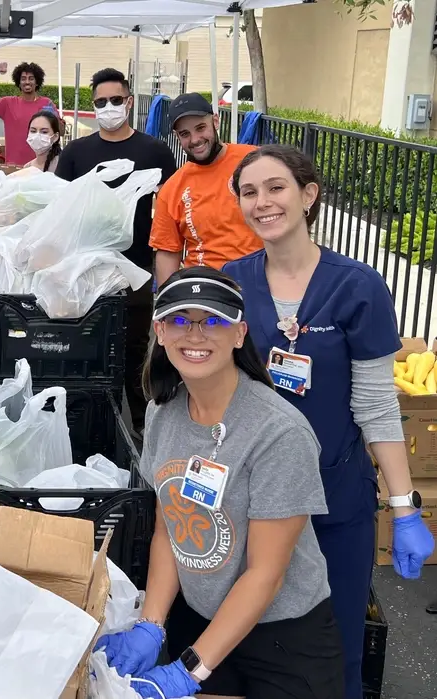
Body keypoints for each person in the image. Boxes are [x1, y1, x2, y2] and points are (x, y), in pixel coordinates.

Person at [223, 144, 435, 699]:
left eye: (276, 188)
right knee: (252, 639)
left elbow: (375, 404)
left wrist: (404, 506)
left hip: (333, 499)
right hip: (253, 499)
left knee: (335, 644)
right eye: (249, 192)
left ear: (308, 195)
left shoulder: (357, 286)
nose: (263, 202)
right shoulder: (232, 281)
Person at [96, 266, 345, 699]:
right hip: (200, 618)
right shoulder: (162, 412)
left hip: (283, 636)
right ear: (159, 330)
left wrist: (187, 671)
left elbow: (265, 574)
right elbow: (168, 530)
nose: (195, 334)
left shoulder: (278, 433)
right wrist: (151, 625)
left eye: (213, 320)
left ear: (238, 334)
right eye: (179, 319)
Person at [55, 68, 178, 438]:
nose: (107, 107)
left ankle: (142, 424)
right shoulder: (77, 152)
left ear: (129, 101)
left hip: (135, 266)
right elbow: (58, 208)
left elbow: (170, 207)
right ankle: (89, 422)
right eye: (100, 102)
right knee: (87, 340)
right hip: (85, 268)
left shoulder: (154, 151)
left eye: (114, 100)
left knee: (136, 346)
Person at [150, 92, 262, 286]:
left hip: (263, 281)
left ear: (215, 122)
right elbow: (168, 251)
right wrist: (166, 304)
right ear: (177, 137)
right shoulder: (172, 189)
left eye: (200, 128)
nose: (195, 139)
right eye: (185, 134)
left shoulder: (254, 160)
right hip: (206, 292)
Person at [0, 61, 55, 166]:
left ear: (37, 82)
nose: (27, 82)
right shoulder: (8, 103)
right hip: (13, 166)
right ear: (18, 82)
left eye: (31, 78)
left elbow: (61, 132)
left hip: (41, 166)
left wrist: (55, 118)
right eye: (23, 79)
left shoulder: (47, 103)